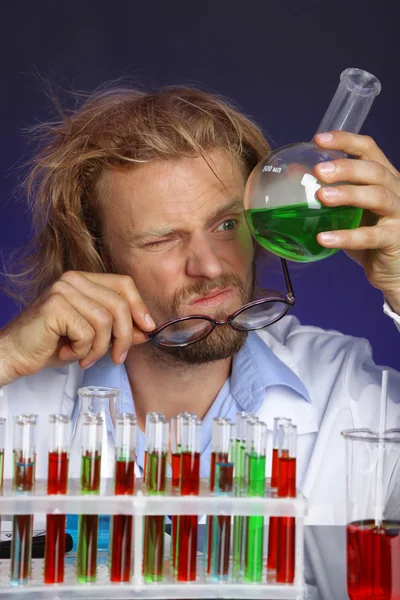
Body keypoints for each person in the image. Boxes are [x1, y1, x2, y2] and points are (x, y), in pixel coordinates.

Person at [0, 86, 399, 524]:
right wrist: (6, 356)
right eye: (162, 239)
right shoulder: (17, 402)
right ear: (97, 258)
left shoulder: (349, 391)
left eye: (227, 224)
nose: (209, 266)